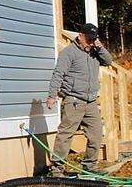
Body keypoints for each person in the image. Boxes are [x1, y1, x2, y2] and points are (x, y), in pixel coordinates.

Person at [46, 22, 113, 174]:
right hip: (73, 100)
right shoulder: (69, 53)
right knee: (65, 134)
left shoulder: (95, 52)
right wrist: (52, 95)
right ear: (80, 36)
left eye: (93, 39)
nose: (91, 42)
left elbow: (108, 61)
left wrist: (99, 47)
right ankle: (57, 168)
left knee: (96, 134)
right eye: (89, 39)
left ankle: (90, 166)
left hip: (90, 102)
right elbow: (58, 74)